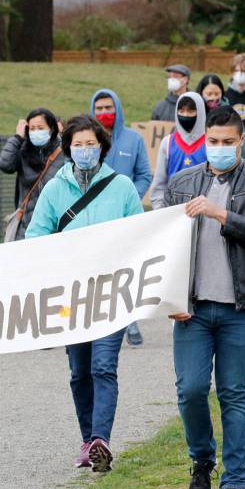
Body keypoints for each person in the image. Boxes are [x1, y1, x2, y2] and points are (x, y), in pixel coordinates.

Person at [164, 106, 245, 489]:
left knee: (233, 392)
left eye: (227, 142)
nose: (218, 149)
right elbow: (165, 249)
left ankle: (236, 482)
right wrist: (172, 298)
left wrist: (223, 214)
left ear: (241, 141)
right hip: (193, 311)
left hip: (240, 305)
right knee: (191, 390)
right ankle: (202, 459)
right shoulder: (180, 185)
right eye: (212, 142)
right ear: (204, 141)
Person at [25, 114, 144, 473]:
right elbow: (36, 235)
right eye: (78, 145)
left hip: (111, 292)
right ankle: (87, 439)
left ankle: (100, 440)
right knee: (80, 372)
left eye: (91, 144)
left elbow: (140, 234)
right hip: (71, 296)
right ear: (68, 149)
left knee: (103, 366)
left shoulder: (121, 187)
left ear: (103, 147)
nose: (85, 150)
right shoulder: (54, 188)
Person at [90, 89, 152, 347]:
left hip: (125, 219)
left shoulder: (133, 140)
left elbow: (144, 175)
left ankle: (131, 321)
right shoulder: (87, 141)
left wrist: (129, 198)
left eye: (108, 107)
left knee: (125, 269)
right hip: (93, 219)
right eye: (99, 108)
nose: (104, 113)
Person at [0, 108, 65, 240]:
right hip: (25, 227)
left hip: (54, 228)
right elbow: (4, 164)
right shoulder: (23, 151)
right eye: (32, 128)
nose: (36, 132)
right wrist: (17, 137)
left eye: (40, 127)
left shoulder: (62, 153)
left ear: (51, 128)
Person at [151, 92, 208, 208]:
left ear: (201, 112)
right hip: (172, 212)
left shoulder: (210, 142)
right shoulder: (167, 142)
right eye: (181, 111)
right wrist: (160, 210)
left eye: (191, 111)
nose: (185, 115)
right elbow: (159, 183)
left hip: (203, 212)